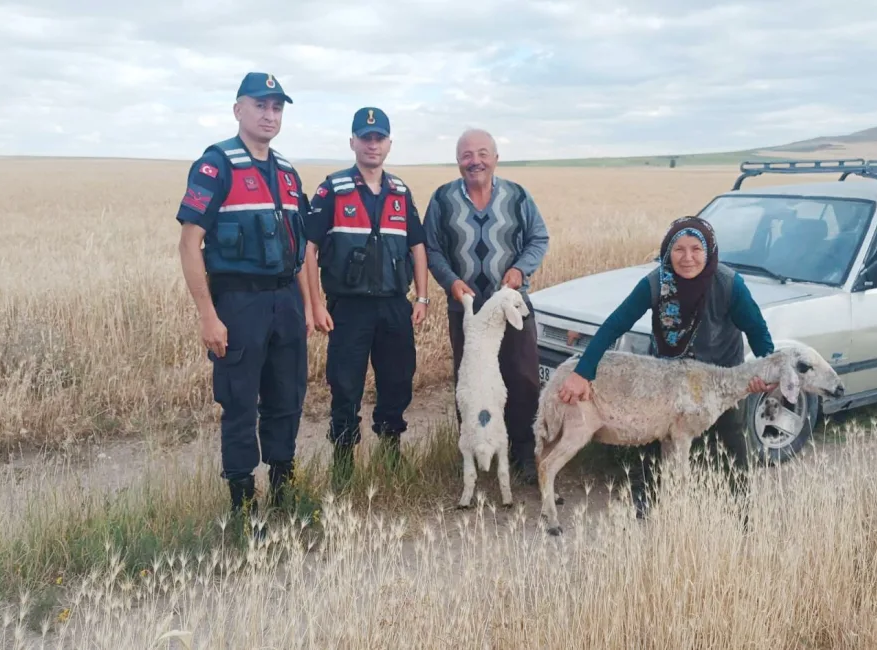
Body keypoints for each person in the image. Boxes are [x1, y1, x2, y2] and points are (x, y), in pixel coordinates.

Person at [556, 215, 776, 512]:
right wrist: (583, 372)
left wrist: (765, 374)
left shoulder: (729, 285)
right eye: (679, 249)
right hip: (666, 378)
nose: (687, 258)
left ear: (709, 250)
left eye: (696, 249)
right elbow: (614, 325)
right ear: (667, 251)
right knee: (648, 436)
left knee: (730, 441)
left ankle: (741, 510)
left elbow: (760, 335)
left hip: (720, 378)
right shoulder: (656, 282)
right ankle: (646, 502)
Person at [175, 72, 312, 516]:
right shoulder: (217, 164)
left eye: (277, 107)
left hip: (285, 300)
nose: (270, 115)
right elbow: (189, 243)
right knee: (239, 402)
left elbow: (304, 246)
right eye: (260, 105)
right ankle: (242, 505)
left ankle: (284, 491)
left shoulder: (288, 173)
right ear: (238, 110)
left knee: (287, 397)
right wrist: (208, 316)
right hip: (239, 302)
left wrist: (309, 305)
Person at [302, 106, 430, 485]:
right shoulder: (333, 189)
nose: (372, 145)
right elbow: (308, 247)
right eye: (365, 137)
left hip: (394, 306)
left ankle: (391, 455)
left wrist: (421, 298)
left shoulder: (400, 192)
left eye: (379, 138)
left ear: (389, 144)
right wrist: (316, 304)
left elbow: (417, 246)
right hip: (350, 308)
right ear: (353, 142)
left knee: (397, 381)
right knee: (345, 386)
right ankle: (343, 465)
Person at [423, 128, 550, 484]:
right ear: (457, 160)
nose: (474, 161)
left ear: (495, 158)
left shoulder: (518, 197)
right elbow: (431, 249)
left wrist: (520, 269)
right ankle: (477, 456)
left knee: (522, 379)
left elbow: (539, 238)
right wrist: (450, 281)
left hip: (511, 309)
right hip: (467, 315)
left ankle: (524, 454)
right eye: (466, 155)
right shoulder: (442, 199)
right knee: (472, 385)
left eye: (482, 153)